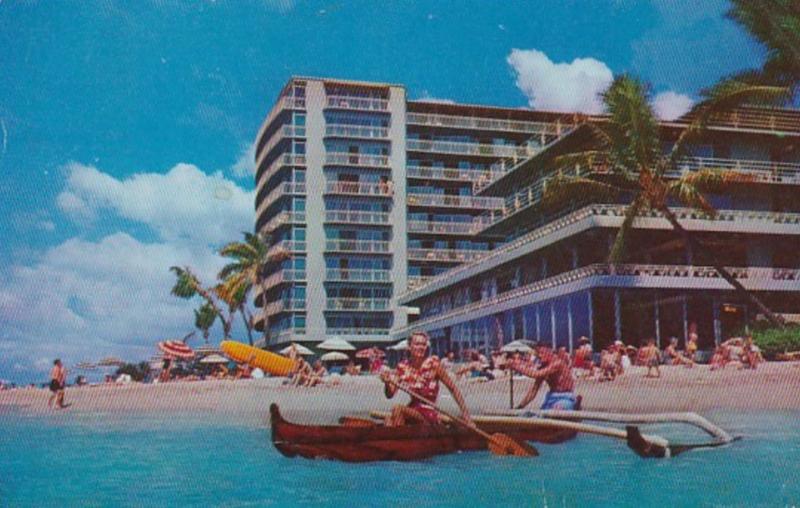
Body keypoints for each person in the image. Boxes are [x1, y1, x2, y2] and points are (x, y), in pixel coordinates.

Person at [380, 331, 472, 426]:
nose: (421, 347)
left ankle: (401, 439)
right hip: (412, 410)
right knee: (388, 420)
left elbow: (453, 389)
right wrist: (386, 383)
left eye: (423, 344)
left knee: (397, 409)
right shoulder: (402, 367)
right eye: (417, 344)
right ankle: (399, 439)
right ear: (409, 347)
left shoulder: (434, 365)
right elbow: (390, 394)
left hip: (428, 412)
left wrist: (466, 416)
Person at [510, 342, 578, 410]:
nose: (539, 356)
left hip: (565, 397)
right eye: (537, 353)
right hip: (551, 397)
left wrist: (515, 366)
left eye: (541, 352)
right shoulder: (543, 366)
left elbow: (536, 374)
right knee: (540, 416)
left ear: (549, 351)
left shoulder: (557, 363)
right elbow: (534, 390)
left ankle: (575, 404)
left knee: (556, 412)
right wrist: (520, 407)